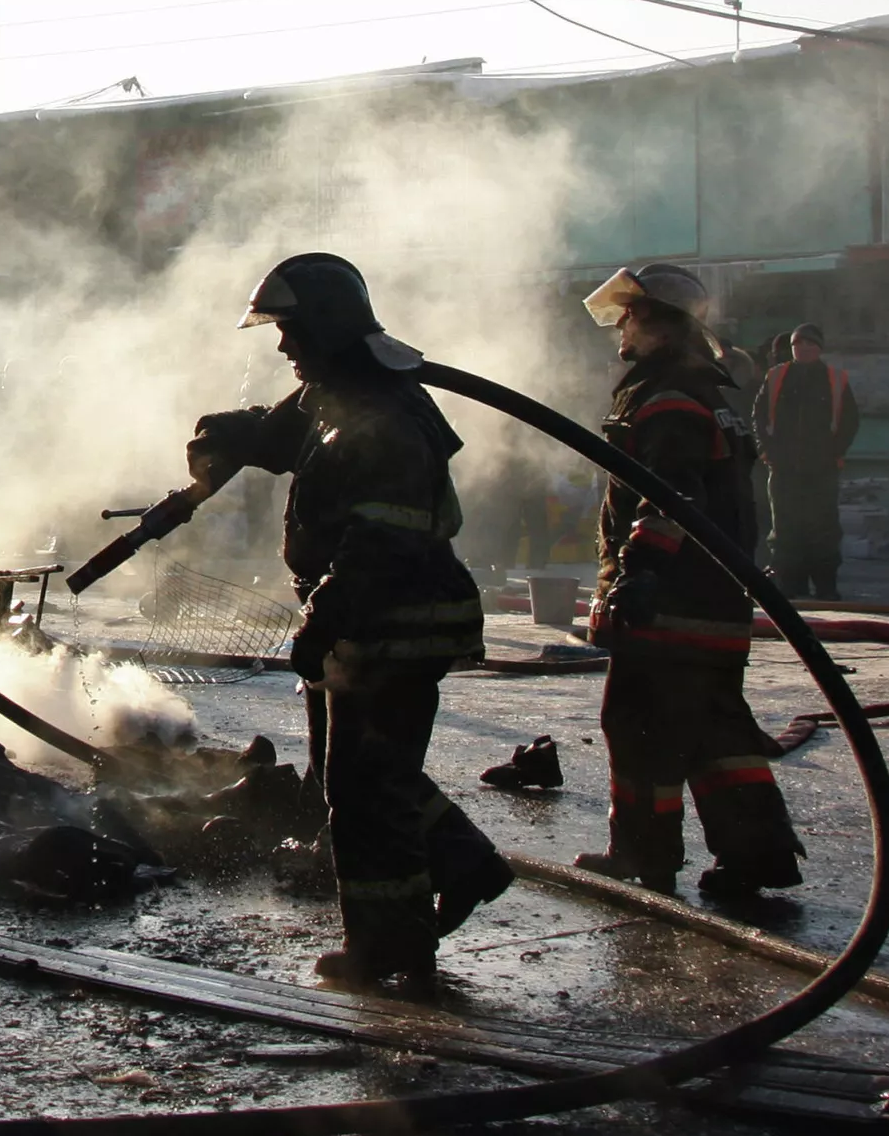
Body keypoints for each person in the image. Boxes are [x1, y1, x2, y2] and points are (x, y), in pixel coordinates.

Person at [183, 252, 507, 990]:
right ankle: (463, 865)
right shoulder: (339, 392)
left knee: (364, 789)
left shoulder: (385, 417)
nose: (281, 345)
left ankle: (389, 946)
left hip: (396, 623)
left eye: (291, 330)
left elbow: (382, 541)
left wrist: (323, 619)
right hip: (371, 620)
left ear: (326, 329)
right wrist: (219, 434)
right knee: (367, 774)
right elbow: (276, 432)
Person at [573, 264, 804, 899]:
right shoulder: (709, 392)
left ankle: (642, 853)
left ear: (657, 323)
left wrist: (640, 572)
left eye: (630, 317)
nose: (621, 329)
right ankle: (759, 856)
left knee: (639, 723)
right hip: (717, 600)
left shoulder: (667, 398)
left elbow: (671, 497)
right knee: (716, 731)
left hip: (669, 604)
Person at [753, 323, 860, 600]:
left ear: (820, 348)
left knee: (823, 528)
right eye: (797, 344)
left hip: (822, 469)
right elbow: (760, 416)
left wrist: (834, 452)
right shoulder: (776, 376)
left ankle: (826, 585)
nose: (803, 349)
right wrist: (766, 450)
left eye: (809, 344)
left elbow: (850, 421)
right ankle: (791, 584)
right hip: (783, 468)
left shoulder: (835, 379)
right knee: (786, 528)